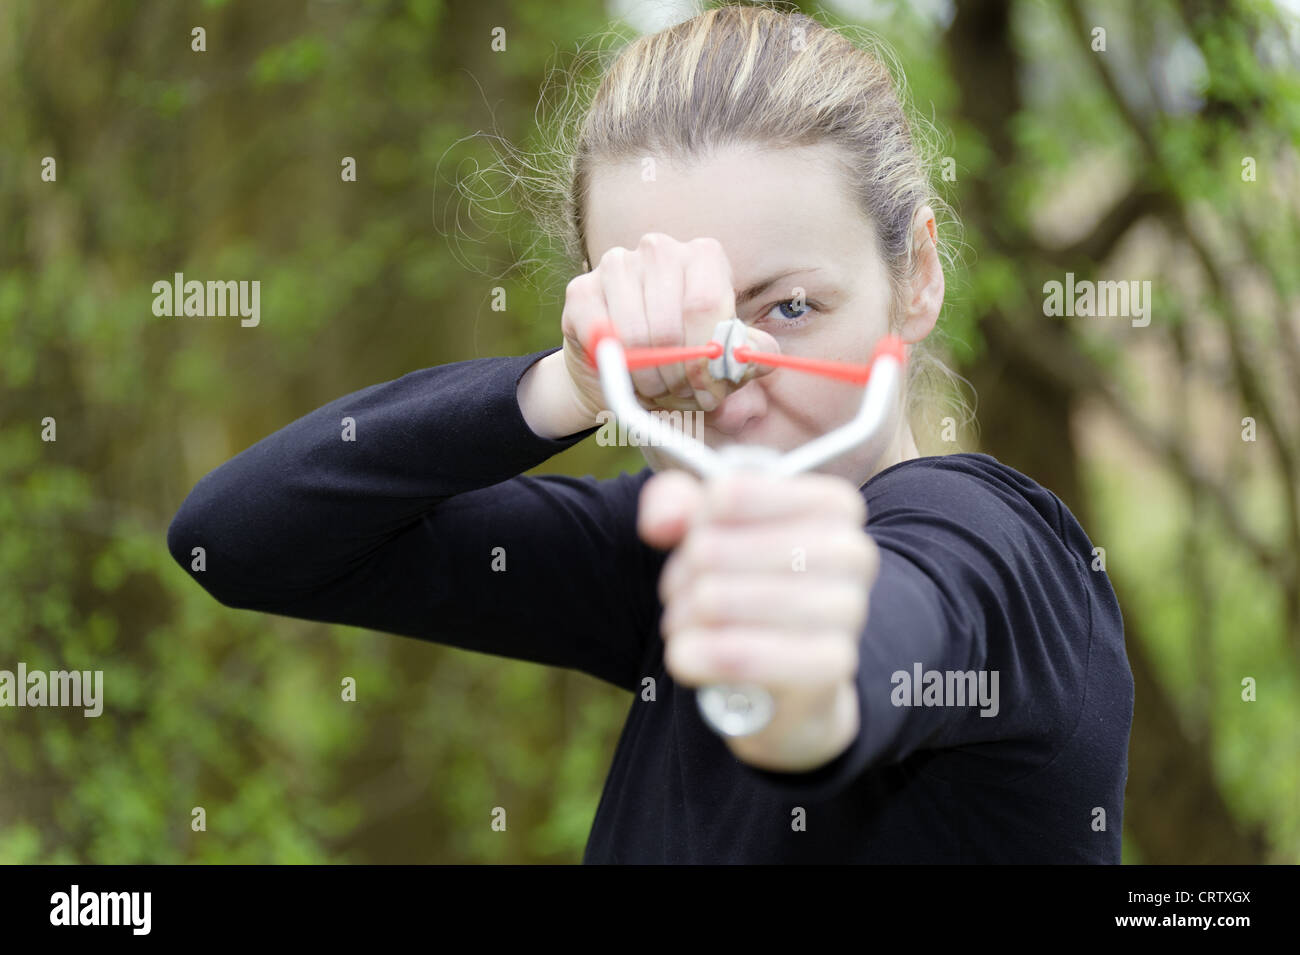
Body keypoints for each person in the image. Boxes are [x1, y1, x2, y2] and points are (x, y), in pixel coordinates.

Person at [167, 3, 1134, 863]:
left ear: (916, 277)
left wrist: (807, 699)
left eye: (790, 308)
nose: (732, 382)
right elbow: (237, 540)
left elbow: (905, 622)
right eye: (676, 335)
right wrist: (565, 387)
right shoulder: (664, 553)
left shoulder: (996, 546)